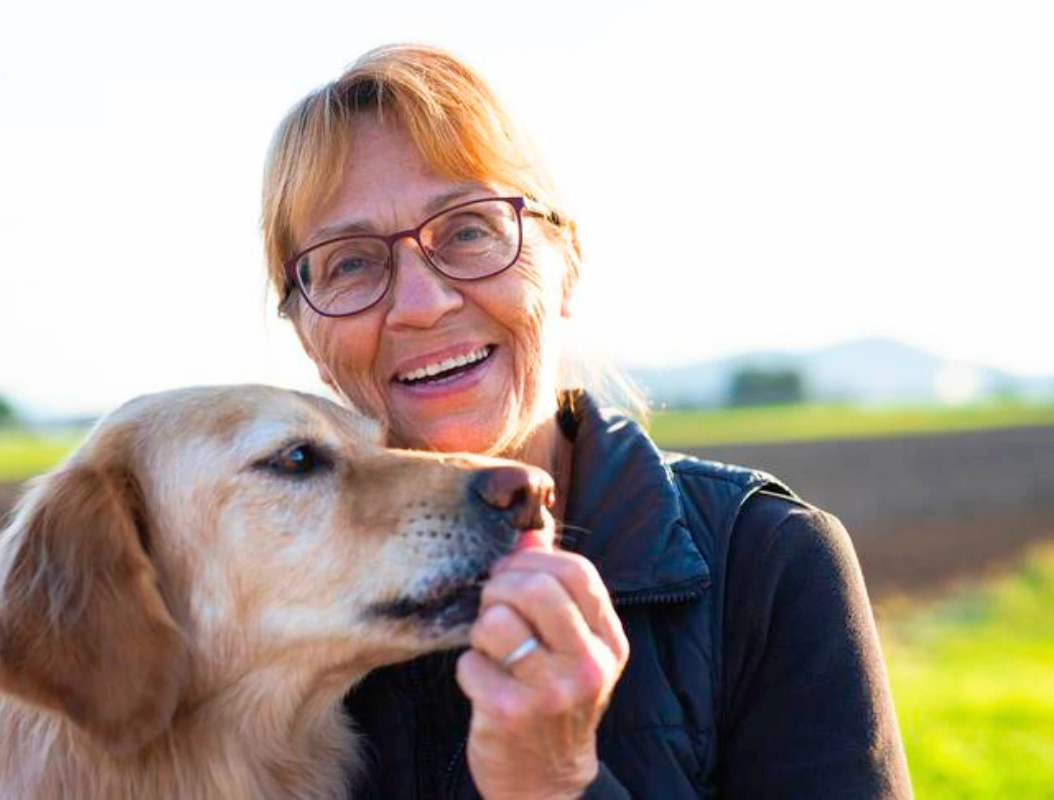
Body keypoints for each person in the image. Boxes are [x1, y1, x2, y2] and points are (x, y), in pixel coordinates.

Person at [260, 43, 911, 799]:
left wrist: (557, 783)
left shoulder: (766, 564)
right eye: (350, 262)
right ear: (306, 330)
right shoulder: (257, 607)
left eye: (469, 229)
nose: (421, 303)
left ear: (564, 264)